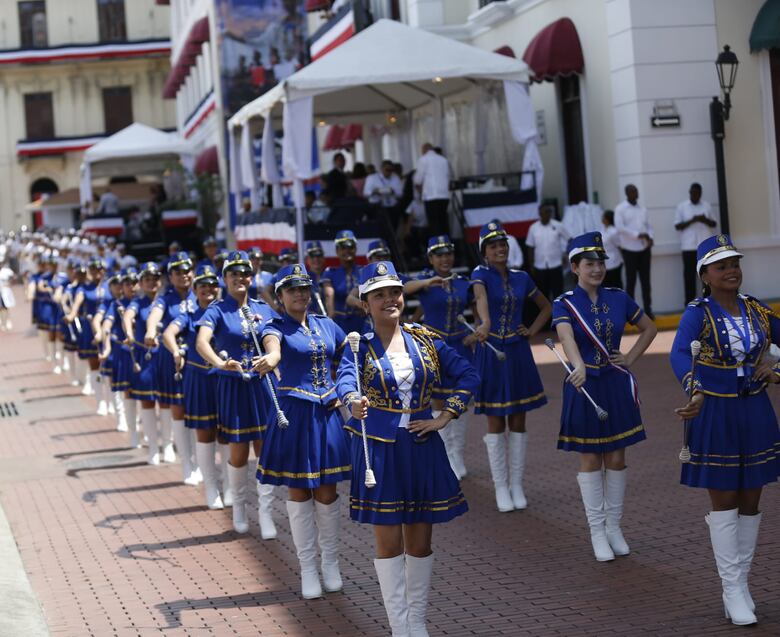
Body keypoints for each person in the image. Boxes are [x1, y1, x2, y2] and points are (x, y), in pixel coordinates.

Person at [336, 261, 479, 637]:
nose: (390, 300)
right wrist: (353, 401)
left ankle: (417, 622)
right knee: (388, 541)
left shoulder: (425, 339)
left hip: (421, 444)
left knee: (420, 540)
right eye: (379, 295)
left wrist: (447, 415)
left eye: (395, 292)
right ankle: (400, 627)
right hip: (380, 450)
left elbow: (468, 374)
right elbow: (345, 380)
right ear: (365, 304)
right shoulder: (358, 345)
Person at [671, 234, 780, 627]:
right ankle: (731, 589)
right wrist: (695, 388)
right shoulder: (697, 314)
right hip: (715, 409)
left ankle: (742, 585)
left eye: (735, 263)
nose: (731, 271)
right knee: (725, 499)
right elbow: (679, 352)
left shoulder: (757, 309)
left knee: (751, 498)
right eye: (722, 266)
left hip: (755, 409)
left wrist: (776, 368)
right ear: (705, 275)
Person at [552, 231, 657, 562]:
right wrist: (578, 364)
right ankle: (597, 532)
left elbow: (649, 328)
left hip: (614, 383)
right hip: (585, 385)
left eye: (600, 263)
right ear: (575, 267)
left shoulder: (618, 297)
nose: (596, 269)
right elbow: (566, 336)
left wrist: (631, 357)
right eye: (589, 264)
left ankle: (614, 528)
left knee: (616, 457)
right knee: (590, 458)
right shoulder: (564, 302)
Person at [256, 263, 351, 599]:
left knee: (327, 493)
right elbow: (273, 348)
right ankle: (308, 569)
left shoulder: (326, 324)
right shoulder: (274, 326)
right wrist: (271, 359)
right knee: (299, 492)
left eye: (303, 288)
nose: (299, 294)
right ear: (280, 296)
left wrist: (344, 388)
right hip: (295, 415)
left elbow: (349, 358)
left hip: (327, 414)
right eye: (291, 289)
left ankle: (330, 563)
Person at [195, 251, 279, 538]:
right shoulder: (216, 310)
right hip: (233, 385)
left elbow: (276, 338)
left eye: (244, 273)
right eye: (233, 273)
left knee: (265, 450)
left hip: (261, 384)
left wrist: (272, 357)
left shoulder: (262, 308)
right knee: (239, 450)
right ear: (225, 278)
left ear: (251, 277)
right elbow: (202, 342)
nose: (240, 278)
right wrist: (219, 364)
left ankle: (266, 513)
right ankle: (240, 509)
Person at [470, 221, 551, 512]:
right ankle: (500, 487)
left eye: (502, 244)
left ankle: (517, 484)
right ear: (485, 252)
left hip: (517, 353)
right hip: (492, 354)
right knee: (495, 420)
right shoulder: (480, 274)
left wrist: (531, 329)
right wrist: (486, 322)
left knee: (518, 419)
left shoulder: (522, 277)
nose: (499, 249)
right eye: (493, 246)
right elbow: (480, 297)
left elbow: (547, 306)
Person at [403, 235, 474, 479]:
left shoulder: (463, 282)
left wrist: (477, 330)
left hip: (460, 345)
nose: (445, 259)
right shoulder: (424, 280)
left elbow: (477, 307)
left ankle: (457, 454)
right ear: (430, 258)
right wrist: (426, 282)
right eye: (439, 255)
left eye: (448, 254)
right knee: (436, 400)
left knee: (462, 400)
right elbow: (402, 287)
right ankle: (444, 455)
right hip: (433, 346)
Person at [163, 264, 225, 510]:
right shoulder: (189, 313)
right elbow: (168, 333)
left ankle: (229, 486)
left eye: (212, 285)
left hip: (224, 378)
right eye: (203, 285)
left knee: (227, 433)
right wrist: (176, 350)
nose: (208, 289)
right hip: (198, 377)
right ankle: (211, 488)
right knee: (205, 432)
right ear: (195, 289)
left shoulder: (225, 310)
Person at [145, 252, 200, 485]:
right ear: (170, 276)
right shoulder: (165, 299)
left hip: (199, 360)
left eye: (187, 270)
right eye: (178, 272)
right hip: (173, 360)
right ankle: (187, 463)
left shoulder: (201, 293)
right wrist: (150, 331)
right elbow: (154, 317)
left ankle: (199, 462)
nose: (183, 275)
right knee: (178, 409)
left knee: (199, 411)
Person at [122, 262, 165, 464]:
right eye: (147, 279)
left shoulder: (166, 300)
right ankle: (153, 448)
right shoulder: (137, 303)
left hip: (166, 357)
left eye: (155, 278)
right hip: (145, 357)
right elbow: (127, 316)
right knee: (147, 402)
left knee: (167, 402)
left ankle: (168, 444)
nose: (151, 282)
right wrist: (129, 333)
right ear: (140, 282)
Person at [615, 184, 654, 319]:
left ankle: (648, 310)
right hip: (629, 249)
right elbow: (620, 228)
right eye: (633, 191)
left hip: (644, 249)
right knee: (631, 281)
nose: (636, 193)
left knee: (646, 281)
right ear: (627, 193)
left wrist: (650, 237)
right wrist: (638, 235)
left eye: (636, 191)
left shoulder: (643, 209)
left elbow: (649, 226)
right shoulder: (620, 209)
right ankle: (630, 313)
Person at [674, 183, 717, 305]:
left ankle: (708, 303)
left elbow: (714, 224)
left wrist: (704, 220)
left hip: (705, 248)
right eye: (693, 193)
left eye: (698, 193)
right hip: (688, 247)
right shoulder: (682, 207)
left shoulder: (706, 206)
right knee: (689, 277)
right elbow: (677, 226)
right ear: (690, 192)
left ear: (700, 193)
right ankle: (690, 304)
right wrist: (692, 220)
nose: (695, 195)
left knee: (707, 276)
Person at [321, 230, 365, 335]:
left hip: (362, 321)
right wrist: (330, 318)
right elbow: (328, 295)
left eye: (350, 247)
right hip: (339, 323)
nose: (347, 251)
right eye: (343, 248)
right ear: (337, 251)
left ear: (356, 249)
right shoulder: (330, 272)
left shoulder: (364, 271)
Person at [526, 204, 568, 301]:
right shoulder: (533, 228)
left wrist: (565, 254)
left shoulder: (558, 225)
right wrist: (531, 265)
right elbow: (530, 246)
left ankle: (559, 311)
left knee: (558, 294)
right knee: (543, 295)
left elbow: (569, 239)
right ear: (539, 213)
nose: (545, 214)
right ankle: (547, 311)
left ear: (550, 213)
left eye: (548, 212)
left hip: (556, 265)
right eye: (543, 212)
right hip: (540, 266)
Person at [414, 143, 451, 237]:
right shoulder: (444, 160)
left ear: (424, 150)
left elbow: (418, 180)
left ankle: (437, 244)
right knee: (443, 222)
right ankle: (447, 242)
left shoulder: (423, 159)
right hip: (444, 196)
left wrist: (420, 192)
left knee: (434, 224)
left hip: (430, 196)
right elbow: (448, 177)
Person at [365, 160, 404, 232]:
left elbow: (400, 194)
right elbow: (366, 193)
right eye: (387, 170)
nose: (389, 172)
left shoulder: (395, 178)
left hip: (392, 207)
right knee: (379, 229)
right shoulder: (372, 178)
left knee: (393, 228)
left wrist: (393, 192)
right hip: (377, 207)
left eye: (391, 170)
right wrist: (374, 192)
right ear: (381, 169)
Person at [601, 210, 623, 288]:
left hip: (614, 261)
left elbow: (619, 245)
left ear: (607, 219)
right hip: (604, 261)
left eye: (603, 217)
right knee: (606, 285)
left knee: (615, 283)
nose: (602, 218)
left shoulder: (614, 232)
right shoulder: (603, 230)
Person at [0, 258, 16, 330]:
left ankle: (6, 322)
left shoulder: (6, 271)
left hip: (4, 291)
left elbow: (14, 277)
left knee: (5, 307)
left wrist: (10, 283)